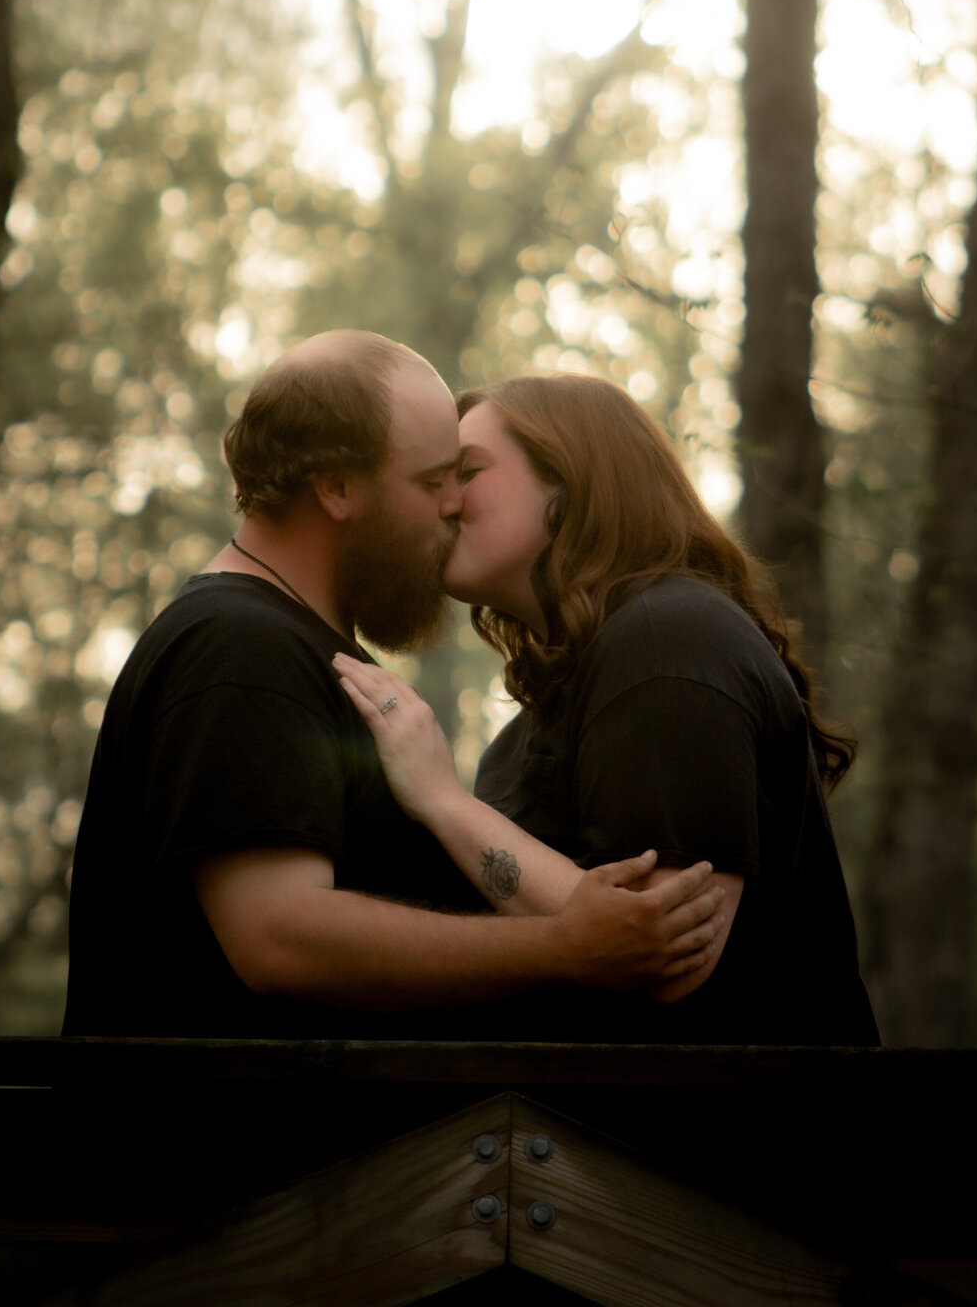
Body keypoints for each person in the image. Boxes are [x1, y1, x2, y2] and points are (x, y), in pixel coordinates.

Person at [62, 332, 723, 1036]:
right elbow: (279, 937)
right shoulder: (238, 646)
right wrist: (562, 948)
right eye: (433, 481)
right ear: (338, 488)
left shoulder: (285, 645)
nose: (453, 506)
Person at [335, 372, 879, 1045]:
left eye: (467, 471)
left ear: (571, 483)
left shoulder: (669, 637)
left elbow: (664, 957)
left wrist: (445, 802)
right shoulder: (546, 714)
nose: (443, 503)